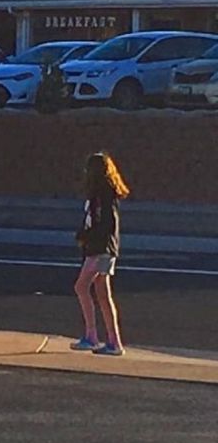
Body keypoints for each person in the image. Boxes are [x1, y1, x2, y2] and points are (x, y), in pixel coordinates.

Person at [73, 151, 129, 356]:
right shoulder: (101, 195)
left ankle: (93, 335)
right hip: (99, 248)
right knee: (102, 294)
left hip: (101, 249)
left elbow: (105, 224)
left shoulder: (103, 196)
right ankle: (112, 341)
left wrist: (86, 236)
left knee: (81, 287)